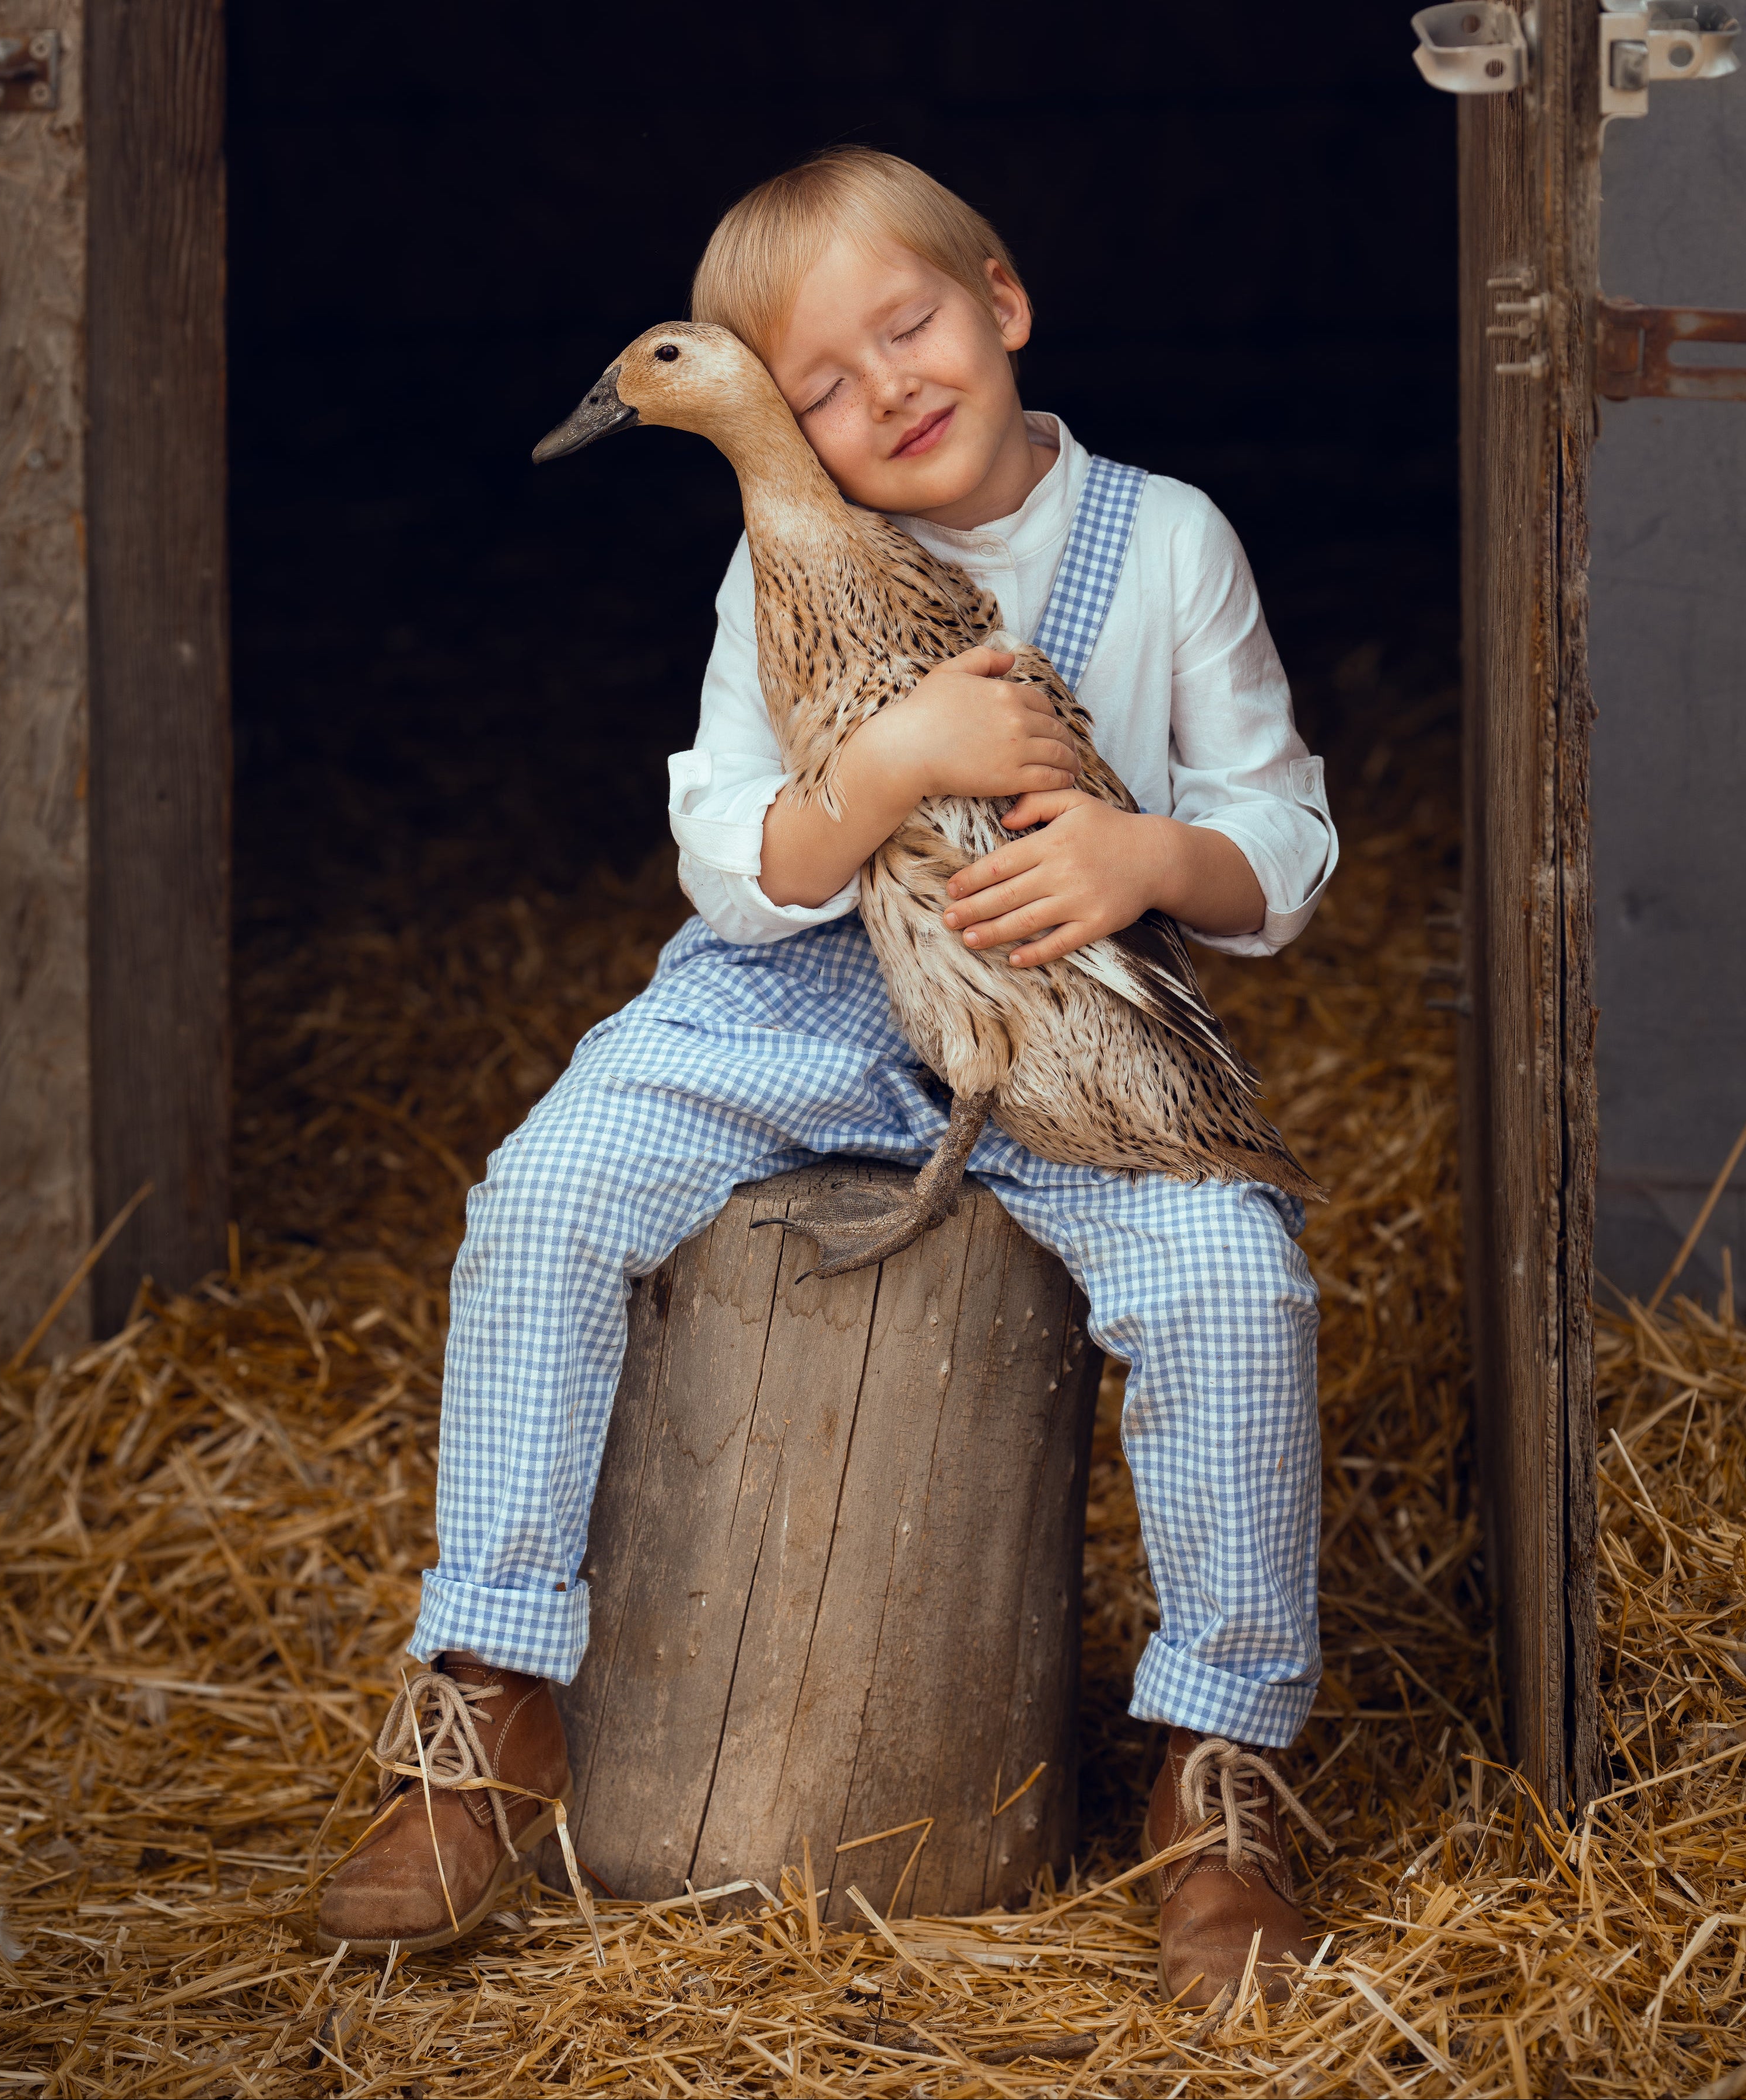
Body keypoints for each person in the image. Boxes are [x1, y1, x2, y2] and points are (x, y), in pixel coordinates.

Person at [314, 148, 1341, 2006]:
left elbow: (1286, 835)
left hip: (1051, 1004)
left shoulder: (1164, 538)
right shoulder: (761, 561)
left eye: (915, 328)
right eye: (826, 389)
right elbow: (731, 851)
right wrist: (880, 773)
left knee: (1234, 1284)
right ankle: (492, 1697)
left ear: (1003, 299)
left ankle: (1222, 1770)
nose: (887, 394)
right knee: (543, 1191)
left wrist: (1147, 860)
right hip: (788, 995)